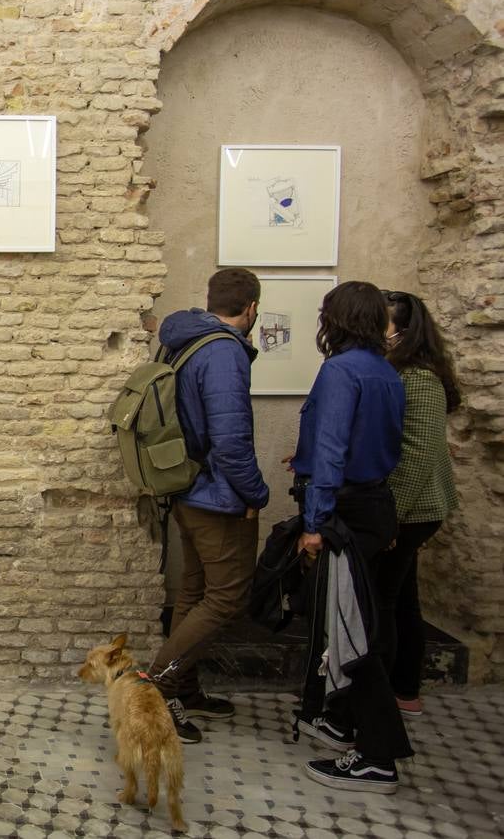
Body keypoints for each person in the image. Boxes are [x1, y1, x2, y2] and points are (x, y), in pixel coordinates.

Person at [291, 281, 412, 794]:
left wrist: (315, 524)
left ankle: (378, 758)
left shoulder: (340, 371)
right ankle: (340, 724)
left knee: (352, 636)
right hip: (375, 506)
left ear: (336, 319)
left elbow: (334, 450)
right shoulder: (386, 371)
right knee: (357, 624)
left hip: (346, 512)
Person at [149, 268, 270, 744]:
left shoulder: (186, 341)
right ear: (252, 308)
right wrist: (256, 494)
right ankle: (157, 687)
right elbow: (231, 440)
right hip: (218, 496)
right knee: (225, 598)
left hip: (187, 484)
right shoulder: (223, 352)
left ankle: (183, 687)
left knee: (196, 593)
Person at [377, 290, 460, 716]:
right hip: (408, 509)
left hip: (413, 510)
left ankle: (387, 698)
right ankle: (403, 690)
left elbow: (416, 455)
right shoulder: (399, 372)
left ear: (404, 332)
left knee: (387, 600)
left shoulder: (420, 378)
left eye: (382, 325)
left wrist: (390, 519)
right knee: (403, 597)